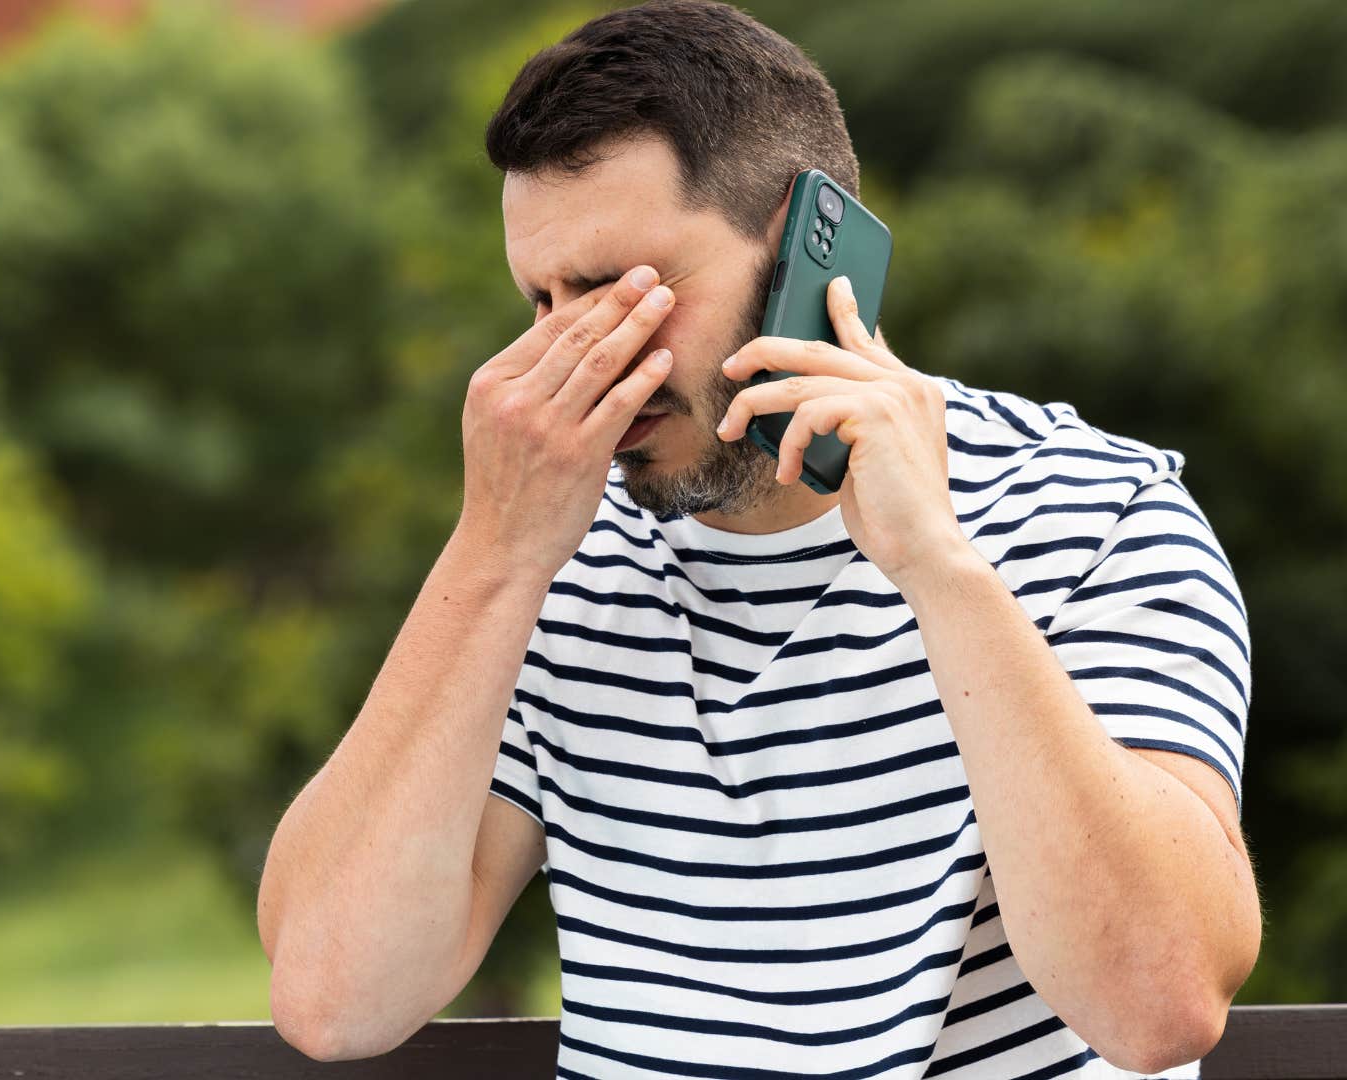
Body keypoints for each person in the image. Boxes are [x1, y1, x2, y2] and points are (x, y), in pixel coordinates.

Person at [256, 2, 1260, 1075]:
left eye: (617, 290)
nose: (577, 356)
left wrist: (942, 571)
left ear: (803, 247)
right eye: (542, 302)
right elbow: (331, 998)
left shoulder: (1095, 512)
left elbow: (1161, 1001)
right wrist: (492, 560)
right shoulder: (548, 564)